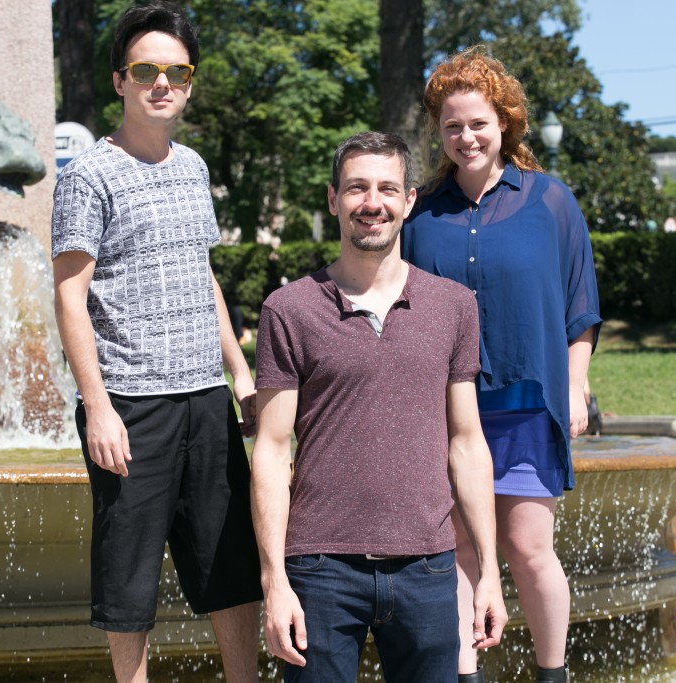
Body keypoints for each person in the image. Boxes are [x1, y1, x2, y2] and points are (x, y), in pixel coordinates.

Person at [50, 3, 262, 681]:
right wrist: (99, 405)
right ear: (120, 80)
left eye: (176, 71)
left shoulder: (195, 167)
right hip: (132, 405)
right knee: (128, 579)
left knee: (230, 563)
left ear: (190, 82)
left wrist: (240, 373)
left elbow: (203, 275)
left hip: (205, 397)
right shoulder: (88, 174)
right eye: (146, 70)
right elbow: (69, 294)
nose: (161, 83)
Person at [251, 131, 507, 682]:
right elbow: (271, 452)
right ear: (332, 199)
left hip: (428, 565)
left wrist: (488, 571)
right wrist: (275, 582)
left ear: (409, 200)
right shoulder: (288, 309)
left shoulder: (454, 307)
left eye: (388, 188)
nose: (373, 203)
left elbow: (466, 442)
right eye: (357, 188)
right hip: (319, 569)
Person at [402, 48, 602, 683]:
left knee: (526, 548)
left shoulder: (550, 202)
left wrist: (576, 386)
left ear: (505, 122)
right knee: (456, 551)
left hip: (526, 403)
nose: (466, 137)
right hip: (445, 410)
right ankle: (465, 676)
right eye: (453, 125)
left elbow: (579, 306)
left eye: (478, 123)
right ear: (439, 131)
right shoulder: (421, 211)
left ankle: (553, 673)